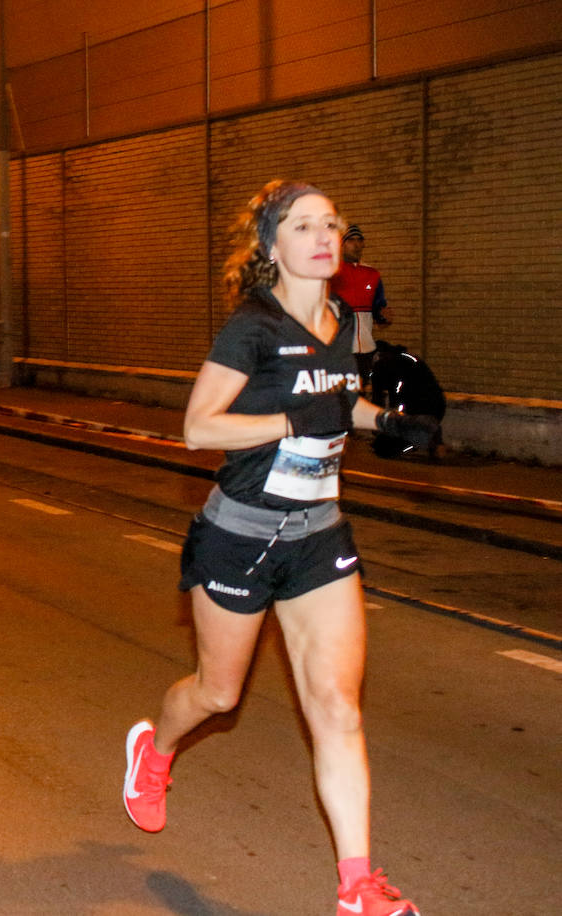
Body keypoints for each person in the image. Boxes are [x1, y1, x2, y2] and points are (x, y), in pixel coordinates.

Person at [121, 180, 436, 916]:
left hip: (318, 536)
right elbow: (200, 427)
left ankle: (359, 886)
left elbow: (336, 400)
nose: (323, 236)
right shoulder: (251, 328)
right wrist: (295, 421)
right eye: (303, 225)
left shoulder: (340, 320)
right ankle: (155, 751)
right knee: (218, 693)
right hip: (239, 536)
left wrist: (380, 422)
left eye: (331, 224)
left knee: (337, 706)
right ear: (272, 247)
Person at [328, 225, 390, 387]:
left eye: (359, 240)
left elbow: (378, 307)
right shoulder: (330, 273)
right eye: (350, 240)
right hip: (340, 348)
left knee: (360, 392)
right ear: (341, 245)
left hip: (366, 348)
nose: (356, 245)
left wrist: (384, 316)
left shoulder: (372, 274)